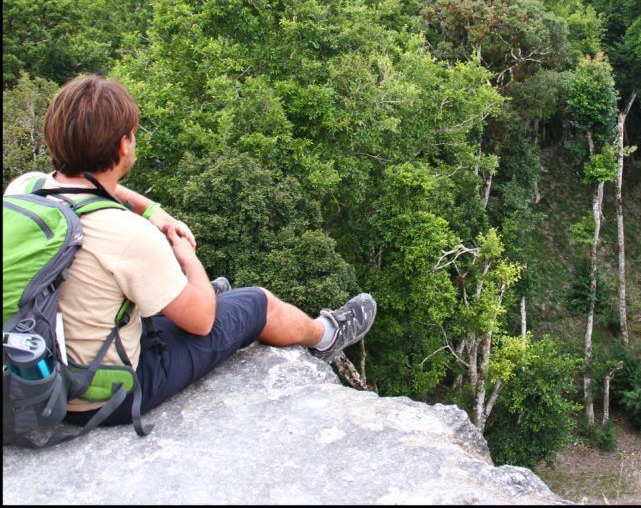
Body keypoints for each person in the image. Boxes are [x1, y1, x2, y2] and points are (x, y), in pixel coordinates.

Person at [3, 74, 376, 428]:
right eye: (131, 135)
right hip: (98, 397)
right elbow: (201, 323)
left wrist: (154, 212)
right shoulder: (126, 234)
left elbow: (94, 188)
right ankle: (326, 334)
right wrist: (187, 258)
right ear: (123, 146)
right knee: (257, 303)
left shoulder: (26, 191)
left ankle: (190, 294)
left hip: (32, 371)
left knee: (143, 292)